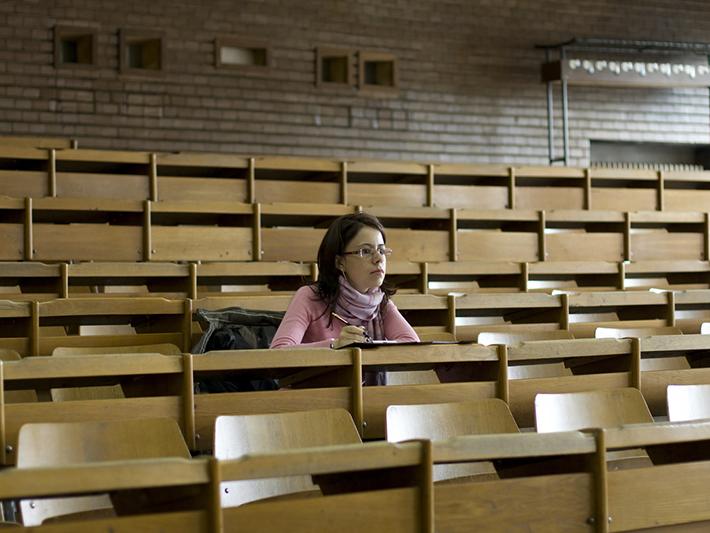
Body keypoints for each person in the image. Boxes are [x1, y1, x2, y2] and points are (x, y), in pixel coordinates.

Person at [270, 212, 420, 350]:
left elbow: (412, 345)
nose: (379, 259)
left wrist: (367, 346)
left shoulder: (381, 304)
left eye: (381, 250)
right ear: (339, 262)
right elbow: (279, 351)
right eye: (366, 251)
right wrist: (335, 345)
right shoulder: (309, 296)